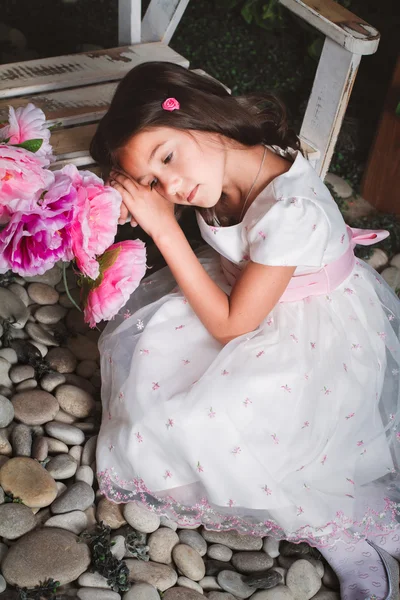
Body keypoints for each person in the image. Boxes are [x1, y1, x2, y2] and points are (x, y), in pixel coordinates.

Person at [90, 61, 400, 600]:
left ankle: (348, 529)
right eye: (155, 181)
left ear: (206, 119)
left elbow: (235, 325)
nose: (175, 188)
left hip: (307, 339)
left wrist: (165, 229)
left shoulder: (291, 210)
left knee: (222, 431)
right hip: (243, 305)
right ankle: (340, 522)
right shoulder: (227, 164)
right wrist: (143, 193)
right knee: (152, 405)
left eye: (168, 158)